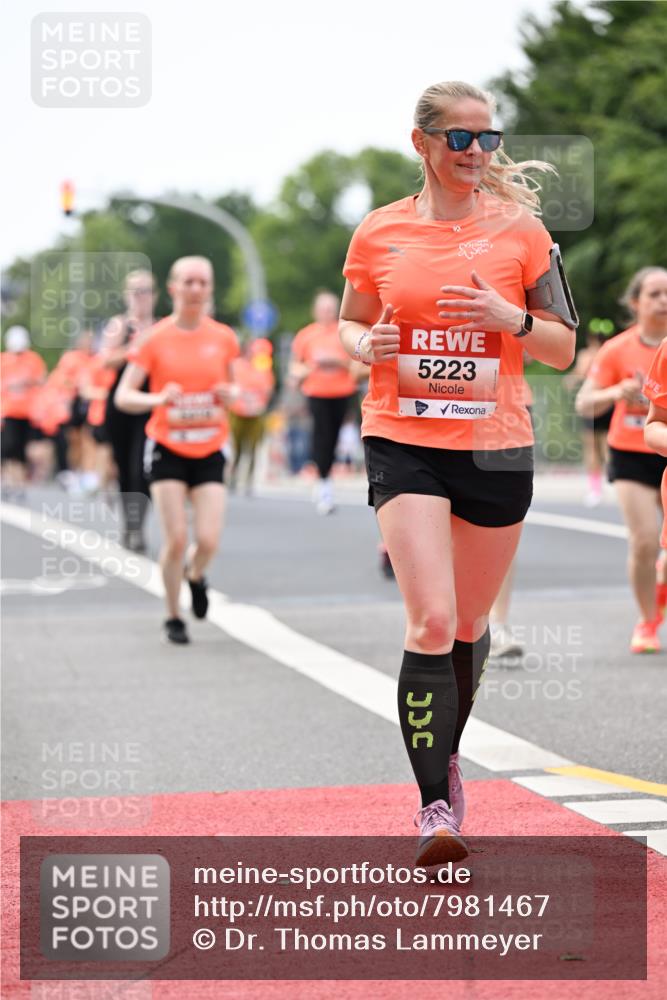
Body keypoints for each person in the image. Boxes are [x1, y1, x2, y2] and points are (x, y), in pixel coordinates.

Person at [338, 80, 577, 863]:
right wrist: (359, 346)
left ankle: (443, 752)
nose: (476, 153)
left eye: (488, 138)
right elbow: (349, 318)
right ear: (422, 143)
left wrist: (511, 320)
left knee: (468, 629)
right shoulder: (379, 231)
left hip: (493, 445)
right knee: (431, 622)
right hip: (402, 437)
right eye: (460, 139)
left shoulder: (522, 231)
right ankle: (434, 808)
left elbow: (560, 346)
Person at [115, 256, 240, 645]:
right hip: (167, 447)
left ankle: (196, 574)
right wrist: (158, 398)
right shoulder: (154, 338)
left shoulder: (223, 337)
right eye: (188, 282)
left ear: (210, 289)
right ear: (173, 288)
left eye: (203, 282)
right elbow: (123, 395)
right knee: (175, 538)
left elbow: (237, 390)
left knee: (208, 539)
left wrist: (231, 394)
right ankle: (173, 614)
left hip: (210, 446)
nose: (196, 289)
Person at [576, 267, 667, 653]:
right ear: (636, 303)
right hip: (633, 453)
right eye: (654, 294)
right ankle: (647, 622)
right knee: (645, 541)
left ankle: (660, 583)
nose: (663, 301)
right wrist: (616, 391)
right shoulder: (618, 349)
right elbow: (584, 400)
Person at [101, 270, 157, 551]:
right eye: (135, 291)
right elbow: (106, 360)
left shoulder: (161, 327)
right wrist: (135, 347)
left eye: (145, 291)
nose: (140, 297)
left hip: (150, 402)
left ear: (155, 295)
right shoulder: (119, 325)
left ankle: (139, 526)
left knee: (143, 468)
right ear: (126, 295)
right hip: (122, 404)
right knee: (125, 467)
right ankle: (129, 523)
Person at [290, 291, 358, 514]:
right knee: (321, 436)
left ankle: (325, 477)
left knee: (337, 436)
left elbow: (357, 365)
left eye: (331, 308)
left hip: (342, 392)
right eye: (323, 308)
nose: (327, 313)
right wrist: (308, 369)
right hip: (317, 392)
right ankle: (323, 483)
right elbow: (295, 367)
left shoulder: (344, 333)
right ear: (315, 310)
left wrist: (338, 362)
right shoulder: (306, 336)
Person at [564, 324, 615, 506]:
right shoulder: (611, 352)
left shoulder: (587, 354)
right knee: (607, 445)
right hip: (609, 402)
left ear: (592, 337)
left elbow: (579, 374)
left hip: (592, 404)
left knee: (591, 448)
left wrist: (568, 381)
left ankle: (595, 489)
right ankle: (613, 483)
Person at [1, 326, 47, 496]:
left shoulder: (33, 359)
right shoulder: (4, 360)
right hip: (9, 411)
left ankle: (20, 482)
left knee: (23, 449)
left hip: (28, 412)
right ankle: (10, 480)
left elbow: (42, 380)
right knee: (8, 447)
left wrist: (28, 382)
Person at [227, 337, 275, 494]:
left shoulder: (262, 366)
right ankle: (233, 477)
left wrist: (260, 399)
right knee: (237, 447)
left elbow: (268, 387)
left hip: (256, 412)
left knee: (254, 447)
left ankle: (249, 480)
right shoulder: (236, 365)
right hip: (238, 412)